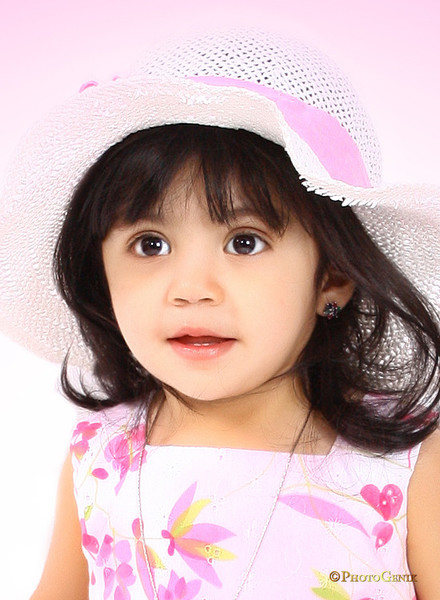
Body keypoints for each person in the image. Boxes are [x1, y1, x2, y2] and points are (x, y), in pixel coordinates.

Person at [1, 31, 439, 600]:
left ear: (332, 275)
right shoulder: (100, 455)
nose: (192, 290)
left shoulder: (405, 466)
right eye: (151, 245)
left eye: (245, 242)